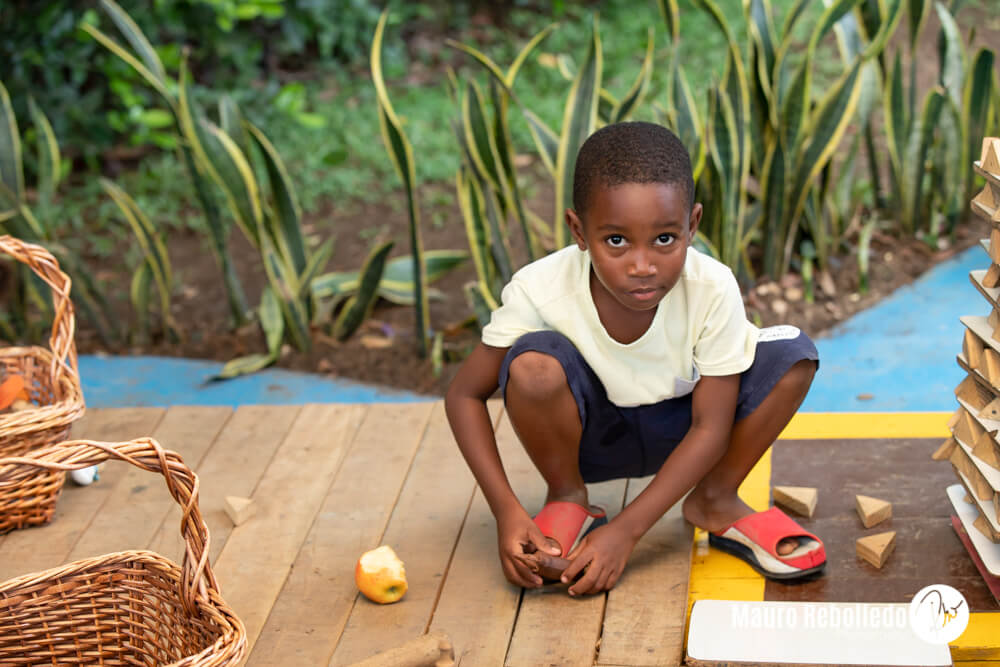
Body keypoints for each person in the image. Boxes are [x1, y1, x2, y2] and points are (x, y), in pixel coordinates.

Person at [444, 121, 823, 597]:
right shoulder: (539, 289)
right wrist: (506, 510)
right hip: (591, 440)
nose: (642, 265)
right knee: (532, 365)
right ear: (579, 231)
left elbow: (711, 427)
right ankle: (567, 498)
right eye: (617, 241)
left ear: (693, 224)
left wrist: (626, 531)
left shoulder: (712, 286)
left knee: (793, 355)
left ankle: (715, 499)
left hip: (689, 437)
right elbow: (463, 395)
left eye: (665, 239)